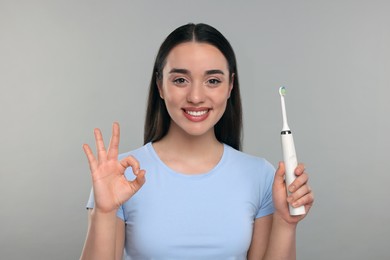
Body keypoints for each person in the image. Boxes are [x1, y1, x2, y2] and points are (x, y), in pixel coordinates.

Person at [80, 23, 314, 260]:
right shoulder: (121, 175)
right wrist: (104, 212)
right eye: (180, 80)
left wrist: (285, 223)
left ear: (230, 86)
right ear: (160, 85)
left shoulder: (260, 175)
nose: (195, 97)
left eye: (212, 81)